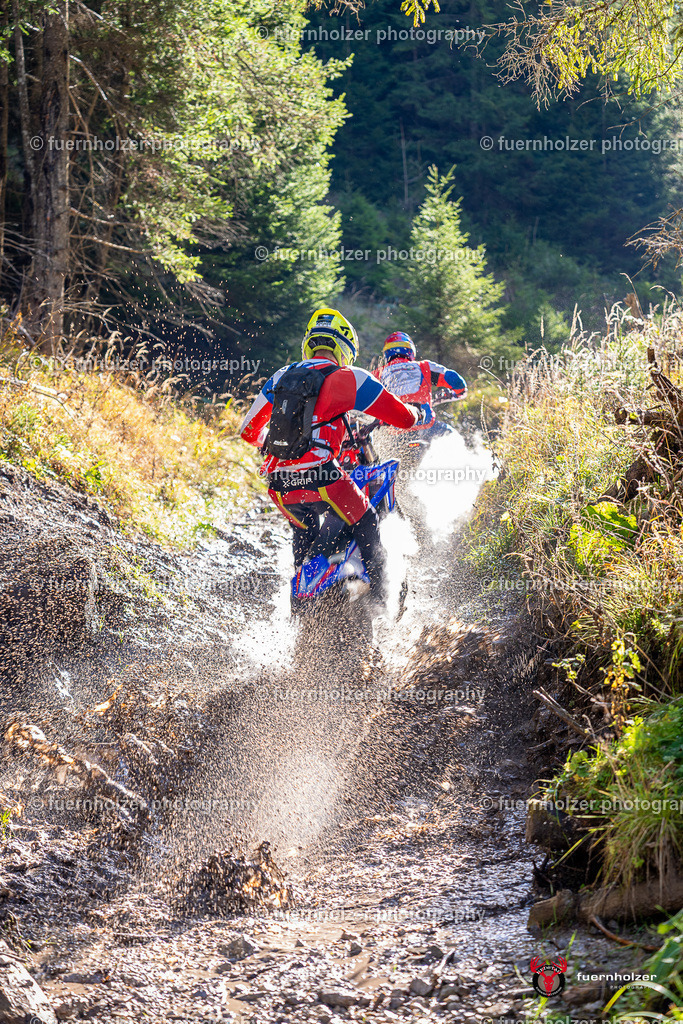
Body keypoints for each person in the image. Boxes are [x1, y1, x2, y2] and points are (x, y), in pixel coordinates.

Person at [239, 309, 423, 606]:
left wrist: (278, 446)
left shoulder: (280, 376)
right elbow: (404, 419)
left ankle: (302, 604)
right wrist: (416, 411)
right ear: (345, 347)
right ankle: (382, 600)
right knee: (367, 520)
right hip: (324, 477)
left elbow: (248, 431)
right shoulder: (351, 378)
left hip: (278, 484)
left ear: (309, 343)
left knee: (304, 530)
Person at [376, 332, 467, 434]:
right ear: (410, 350)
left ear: (386, 353)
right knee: (452, 435)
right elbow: (455, 380)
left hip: (396, 433)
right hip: (426, 427)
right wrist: (460, 392)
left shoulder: (378, 374)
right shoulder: (424, 366)